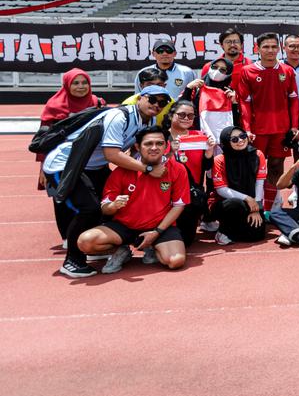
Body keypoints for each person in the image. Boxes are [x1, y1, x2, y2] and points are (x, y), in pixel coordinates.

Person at [43, 86, 166, 278]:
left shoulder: (145, 121)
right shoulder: (119, 117)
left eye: (162, 102)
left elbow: (135, 152)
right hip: (67, 164)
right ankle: (72, 261)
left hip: (94, 166)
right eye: (152, 100)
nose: (157, 105)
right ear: (141, 98)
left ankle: (101, 247)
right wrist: (148, 169)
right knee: (89, 209)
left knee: (111, 203)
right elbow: (112, 154)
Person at [79, 126, 189, 275]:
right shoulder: (122, 170)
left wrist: (156, 233)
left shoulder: (177, 169)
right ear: (138, 146)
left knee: (176, 261)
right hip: (124, 226)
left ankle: (152, 248)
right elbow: (105, 208)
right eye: (148, 144)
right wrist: (113, 205)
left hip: (159, 227)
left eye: (159, 143)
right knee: (85, 242)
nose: (154, 148)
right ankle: (121, 251)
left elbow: (178, 206)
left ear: (166, 146)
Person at [232, 32, 299, 210]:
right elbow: (244, 103)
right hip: (258, 129)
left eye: (273, 47)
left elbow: (293, 99)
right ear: (257, 49)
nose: (270, 50)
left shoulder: (287, 71)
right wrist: (247, 128)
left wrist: (293, 126)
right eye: (266, 47)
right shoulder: (248, 71)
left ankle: (274, 203)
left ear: (279, 48)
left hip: (281, 128)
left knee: (277, 165)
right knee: (255, 166)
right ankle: (257, 202)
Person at [38, 68, 106, 238]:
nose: (81, 87)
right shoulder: (54, 107)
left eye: (85, 83)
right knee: (63, 198)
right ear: (67, 85)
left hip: (92, 160)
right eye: (75, 83)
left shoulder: (98, 103)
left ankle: (93, 233)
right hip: (62, 162)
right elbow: (44, 140)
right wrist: (42, 168)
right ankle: (68, 236)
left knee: (95, 196)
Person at [210, 126, 269, 245]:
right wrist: (247, 199)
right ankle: (224, 230)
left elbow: (259, 184)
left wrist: (256, 207)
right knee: (235, 203)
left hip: (251, 202)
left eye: (242, 136)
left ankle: (232, 233)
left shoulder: (257, 154)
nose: (241, 141)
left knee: (257, 235)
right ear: (226, 142)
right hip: (224, 203)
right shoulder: (219, 160)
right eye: (234, 139)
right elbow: (221, 190)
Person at [166, 99, 213, 247]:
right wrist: (170, 152)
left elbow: (206, 167)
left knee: (186, 240)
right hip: (165, 195)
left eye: (191, 116)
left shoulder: (199, 136)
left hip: (190, 197)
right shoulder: (160, 137)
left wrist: (209, 152)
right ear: (170, 116)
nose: (186, 119)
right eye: (181, 115)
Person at [188, 57, 241, 146]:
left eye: (223, 70)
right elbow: (181, 107)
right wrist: (188, 89)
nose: (217, 71)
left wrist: (235, 103)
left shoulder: (231, 93)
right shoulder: (197, 88)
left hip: (224, 142)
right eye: (214, 67)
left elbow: (236, 121)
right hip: (200, 138)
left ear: (228, 74)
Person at [281, 34, 299, 159]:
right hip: (284, 115)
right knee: (281, 150)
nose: (296, 49)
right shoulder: (278, 67)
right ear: (284, 48)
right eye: (292, 46)